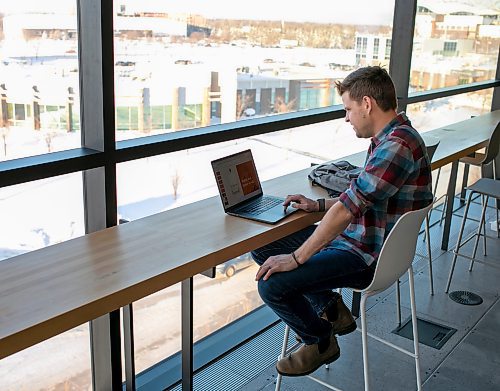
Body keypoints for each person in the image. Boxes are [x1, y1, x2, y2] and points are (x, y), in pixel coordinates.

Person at [251, 66, 433, 377]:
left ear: (367, 104)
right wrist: (317, 205)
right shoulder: (394, 138)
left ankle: (320, 341)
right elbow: (358, 198)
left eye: (348, 109)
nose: (346, 118)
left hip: (368, 257)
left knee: (273, 284)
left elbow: (347, 210)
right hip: (367, 240)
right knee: (264, 247)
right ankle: (333, 309)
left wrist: (296, 258)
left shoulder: (396, 147)